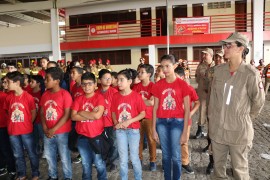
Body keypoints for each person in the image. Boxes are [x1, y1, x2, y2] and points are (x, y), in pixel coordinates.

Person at [208, 32, 265, 179]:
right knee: (218, 172)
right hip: (218, 132)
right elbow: (212, 101)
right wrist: (212, 126)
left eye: (229, 45)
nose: (224, 48)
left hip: (239, 133)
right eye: (224, 45)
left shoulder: (250, 74)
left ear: (241, 48)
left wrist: (243, 117)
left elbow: (258, 101)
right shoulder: (218, 71)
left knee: (240, 172)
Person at [152, 54, 190, 180]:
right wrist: (153, 129)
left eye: (167, 66)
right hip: (161, 123)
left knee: (175, 155)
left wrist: (185, 132)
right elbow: (155, 108)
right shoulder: (158, 85)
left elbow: (187, 109)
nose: (165, 69)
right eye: (162, 67)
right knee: (166, 155)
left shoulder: (183, 85)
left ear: (174, 66)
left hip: (177, 123)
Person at [71, 72, 108, 180]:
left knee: (99, 163)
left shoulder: (99, 98)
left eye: (90, 84)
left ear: (95, 84)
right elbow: (73, 117)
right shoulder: (78, 99)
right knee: (86, 165)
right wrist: (90, 114)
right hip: (82, 137)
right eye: (84, 84)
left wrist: (81, 112)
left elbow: (97, 115)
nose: (86, 86)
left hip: (96, 136)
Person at [4, 71, 39, 180]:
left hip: (26, 130)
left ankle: (35, 173)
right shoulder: (8, 97)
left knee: (31, 153)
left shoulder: (28, 97)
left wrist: (29, 123)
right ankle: (22, 174)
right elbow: (7, 111)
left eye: (8, 82)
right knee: (17, 154)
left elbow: (34, 111)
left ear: (17, 83)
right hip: (13, 131)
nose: (6, 84)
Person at [111, 68, 146, 180]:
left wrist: (128, 122)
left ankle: (138, 178)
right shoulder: (116, 96)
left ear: (130, 82)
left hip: (133, 131)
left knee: (134, 158)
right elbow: (113, 112)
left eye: (122, 80)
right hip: (120, 131)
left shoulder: (136, 96)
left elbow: (142, 114)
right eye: (118, 80)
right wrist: (116, 123)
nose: (118, 82)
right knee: (123, 159)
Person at [40, 67, 72, 180]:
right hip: (47, 132)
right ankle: (53, 176)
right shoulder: (44, 95)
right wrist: (45, 127)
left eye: (47, 79)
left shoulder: (65, 94)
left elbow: (67, 114)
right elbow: (42, 112)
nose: (45, 81)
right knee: (49, 156)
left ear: (57, 81)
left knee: (64, 157)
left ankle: (68, 177)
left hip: (62, 132)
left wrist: (53, 129)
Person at [174, 66, 200, 175]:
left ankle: (185, 162)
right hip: (172, 121)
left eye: (175, 77)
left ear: (182, 77)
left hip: (185, 121)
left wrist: (190, 113)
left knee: (184, 142)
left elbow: (197, 102)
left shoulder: (189, 89)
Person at [204, 49, 225, 175]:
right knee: (211, 136)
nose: (218, 59)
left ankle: (229, 163)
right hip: (212, 108)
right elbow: (207, 86)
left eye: (220, 57)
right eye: (216, 57)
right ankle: (212, 162)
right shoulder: (211, 71)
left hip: (226, 110)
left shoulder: (231, 72)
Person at [133, 64, 157, 171]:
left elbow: (151, 102)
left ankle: (153, 161)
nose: (139, 74)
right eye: (139, 72)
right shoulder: (136, 87)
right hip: (137, 117)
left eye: (142, 72)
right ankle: (139, 159)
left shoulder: (153, 86)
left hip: (149, 117)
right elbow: (134, 102)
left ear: (149, 74)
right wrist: (144, 100)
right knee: (138, 140)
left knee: (151, 140)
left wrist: (140, 100)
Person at [96, 69, 119, 171]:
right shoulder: (96, 93)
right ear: (100, 80)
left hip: (111, 122)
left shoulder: (114, 92)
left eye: (110, 78)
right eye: (106, 78)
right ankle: (104, 160)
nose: (109, 80)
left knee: (113, 143)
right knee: (102, 144)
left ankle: (113, 161)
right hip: (99, 123)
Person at [194, 48, 215, 139]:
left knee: (213, 111)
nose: (203, 56)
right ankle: (200, 129)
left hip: (214, 93)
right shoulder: (201, 66)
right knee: (202, 110)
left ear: (210, 55)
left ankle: (213, 131)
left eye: (205, 54)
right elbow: (197, 78)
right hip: (203, 93)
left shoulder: (216, 65)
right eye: (203, 54)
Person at [0, 77, 16, 180]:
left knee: (6, 148)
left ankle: (12, 169)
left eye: (7, 82)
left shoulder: (7, 96)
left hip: (4, 125)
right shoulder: (3, 95)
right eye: (3, 82)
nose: (4, 84)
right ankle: (2, 166)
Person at [70, 66, 84, 164]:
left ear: (80, 74)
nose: (71, 75)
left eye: (73, 73)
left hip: (84, 116)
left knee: (83, 136)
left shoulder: (85, 86)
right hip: (76, 115)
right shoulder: (74, 87)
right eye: (71, 72)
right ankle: (81, 153)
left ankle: (83, 155)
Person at [29, 75, 45, 156]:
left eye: (32, 82)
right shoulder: (29, 93)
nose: (30, 83)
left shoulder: (43, 93)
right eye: (30, 81)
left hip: (40, 120)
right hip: (32, 120)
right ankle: (37, 150)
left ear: (38, 83)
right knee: (34, 137)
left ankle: (45, 150)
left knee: (43, 136)